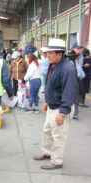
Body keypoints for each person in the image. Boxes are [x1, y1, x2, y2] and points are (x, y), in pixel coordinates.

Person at [33, 39, 77, 170]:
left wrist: (63, 113)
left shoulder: (67, 69)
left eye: (51, 53)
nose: (47, 55)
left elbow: (69, 92)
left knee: (58, 136)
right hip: (52, 105)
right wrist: (47, 101)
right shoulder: (54, 65)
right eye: (47, 53)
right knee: (47, 131)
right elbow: (51, 86)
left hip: (60, 108)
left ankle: (57, 161)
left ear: (60, 54)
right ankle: (47, 152)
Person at [24, 48, 42, 113]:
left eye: (28, 58)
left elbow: (29, 73)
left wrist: (25, 78)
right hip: (39, 80)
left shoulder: (33, 64)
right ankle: (36, 108)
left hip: (33, 81)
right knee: (35, 95)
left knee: (31, 95)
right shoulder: (38, 63)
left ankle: (30, 108)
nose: (27, 59)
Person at [71, 44, 85, 119]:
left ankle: (75, 113)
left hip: (77, 79)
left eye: (80, 48)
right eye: (78, 48)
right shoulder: (70, 58)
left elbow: (81, 73)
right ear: (73, 49)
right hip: (73, 79)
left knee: (75, 97)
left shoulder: (81, 57)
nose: (79, 50)